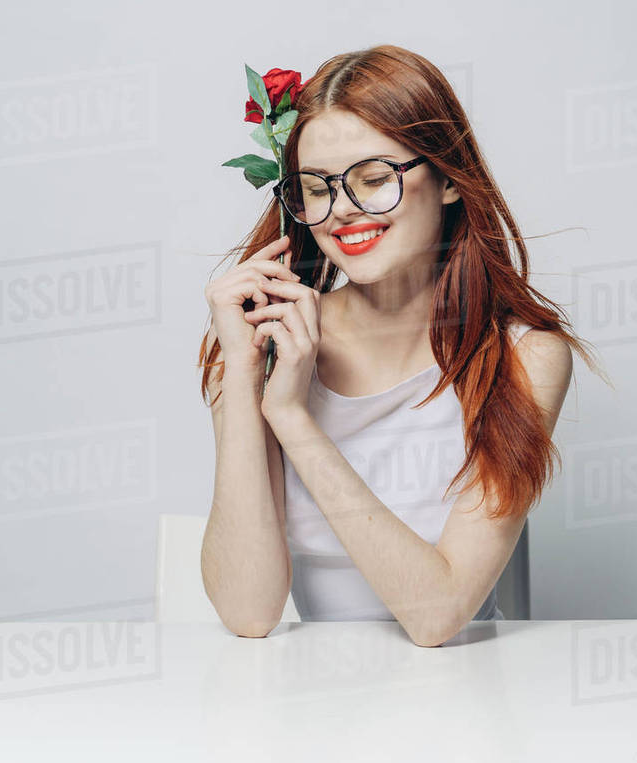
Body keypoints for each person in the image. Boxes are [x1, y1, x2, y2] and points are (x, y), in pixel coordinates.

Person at [198, 45, 606, 647]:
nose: (344, 211)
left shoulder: (525, 357)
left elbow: (437, 615)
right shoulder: (259, 347)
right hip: (311, 705)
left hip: (464, 697)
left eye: (375, 178)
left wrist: (292, 417)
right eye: (316, 188)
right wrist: (243, 376)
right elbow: (248, 613)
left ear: (446, 179)